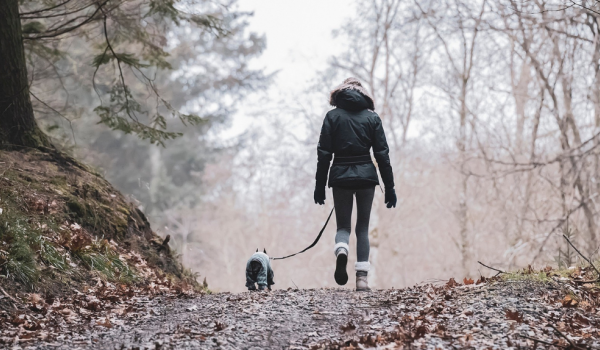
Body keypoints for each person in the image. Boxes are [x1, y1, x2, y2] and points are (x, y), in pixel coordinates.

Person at [314, 77, 396, 292]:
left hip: (340, 176)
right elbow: (382, 154)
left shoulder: (332, 117)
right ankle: (361, 280)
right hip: (366, 177)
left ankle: (342, 249)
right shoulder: (372, 118)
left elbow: (324, 154)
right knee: (362, 228)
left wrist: (319, 186)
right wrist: (390, 188)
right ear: (363, 95)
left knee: (343, 227)